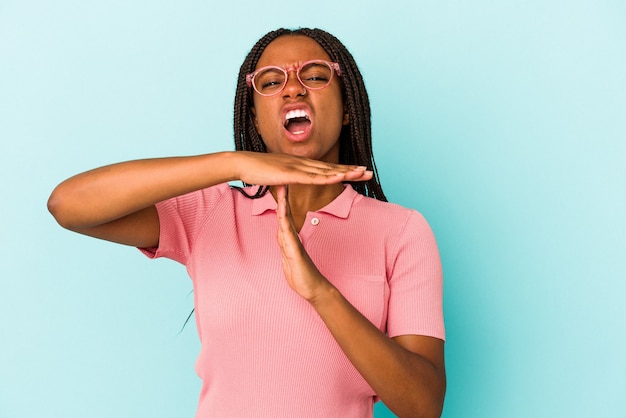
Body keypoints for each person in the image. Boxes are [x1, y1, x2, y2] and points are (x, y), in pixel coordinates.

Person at [48, 28, 446, 418]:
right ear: (254, 121)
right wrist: (232, 163)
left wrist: (321, 293)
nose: (293, 88)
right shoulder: (212, 211)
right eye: (271, 81)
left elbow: (422, 405)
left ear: (346, 110)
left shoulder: (401, 231)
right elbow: (68, 204)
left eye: (315, 75)